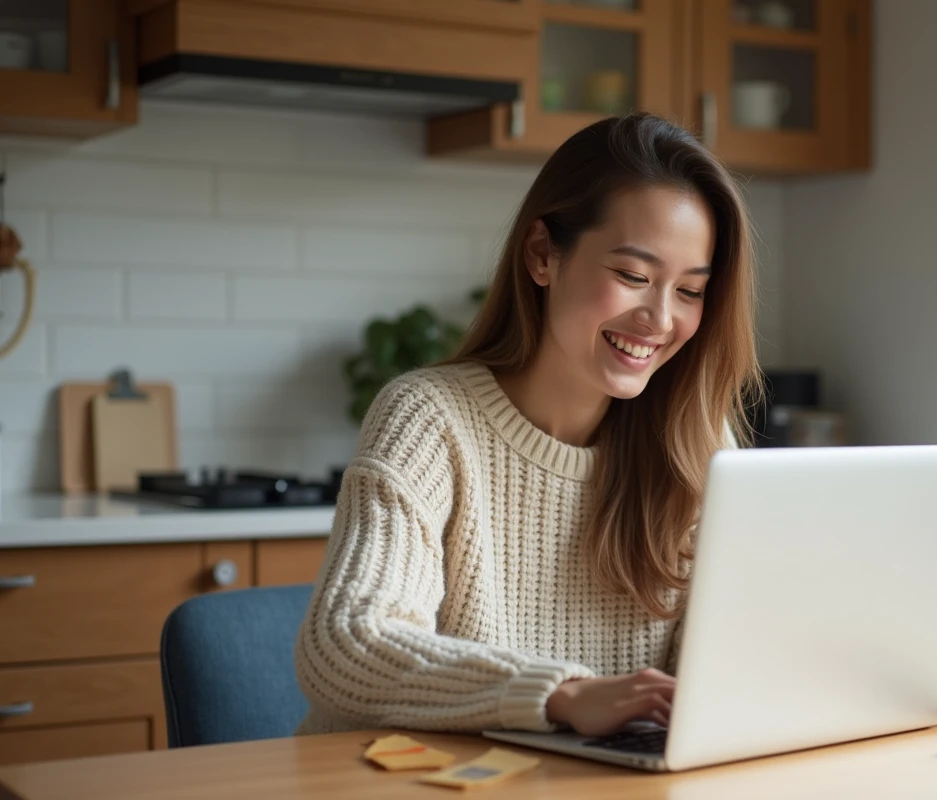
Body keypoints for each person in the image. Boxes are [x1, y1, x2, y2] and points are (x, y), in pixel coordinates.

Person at [294, 112, 762, 739]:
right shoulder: (429, 419)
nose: (659, 318)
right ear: (543, 254)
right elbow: (346, 646)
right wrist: (563, 695)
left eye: (690, 291)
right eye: (633, 276)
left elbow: (713, 681)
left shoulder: (697, 447)